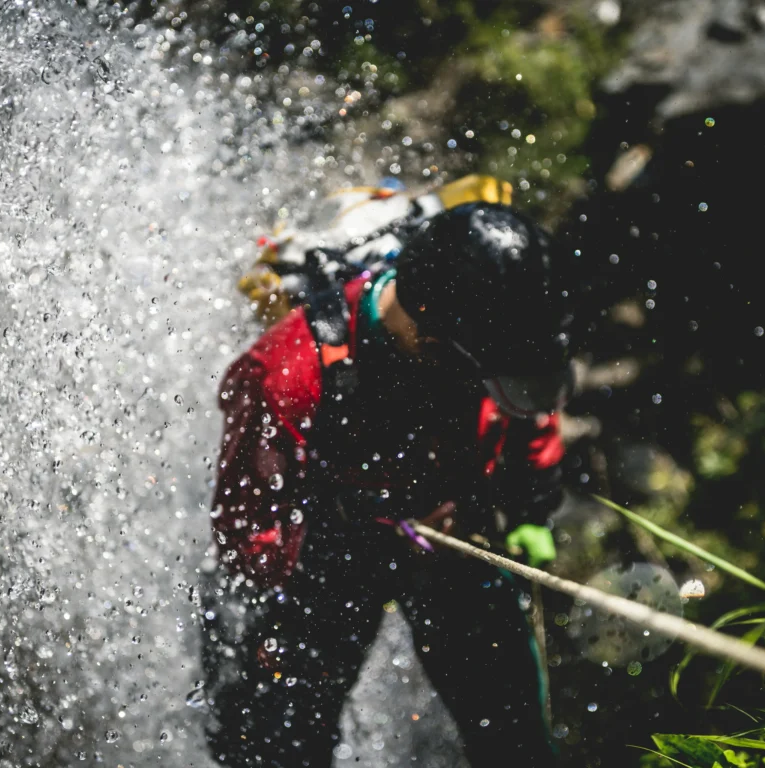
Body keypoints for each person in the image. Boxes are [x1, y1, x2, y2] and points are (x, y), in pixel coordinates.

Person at [201, 202, 575, 767]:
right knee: (280, 748)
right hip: (325, 560)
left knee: (515, 742)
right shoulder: (286, 375)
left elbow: (529, 412)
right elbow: (248, 527)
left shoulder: (495, 339)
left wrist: (530, 509)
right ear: (428, 335)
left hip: (454, 537)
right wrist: (349, 533)